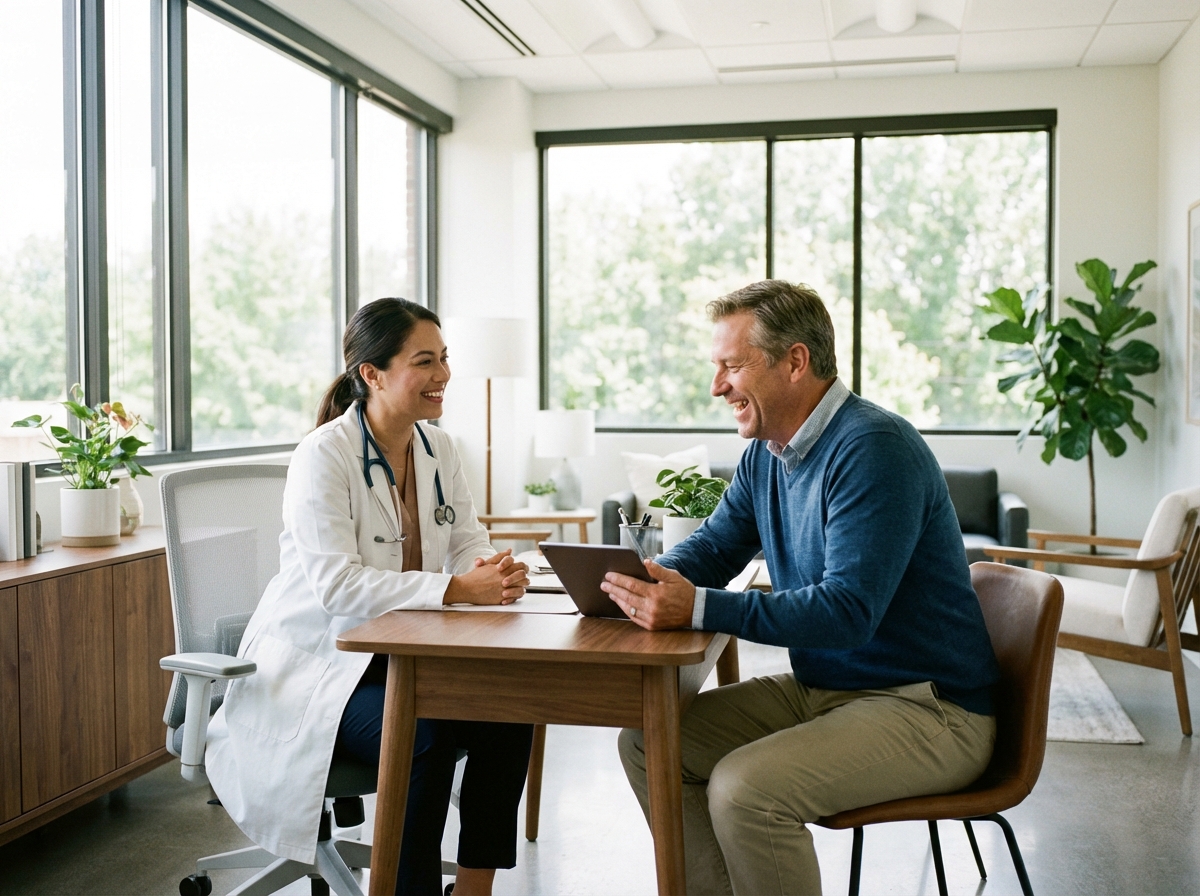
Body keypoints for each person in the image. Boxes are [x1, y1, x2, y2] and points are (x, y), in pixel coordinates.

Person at [601, 280, 1002, 895]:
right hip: (831, 689)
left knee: (746, 789)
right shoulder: (770, 451)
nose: (717, 387)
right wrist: (647, 582)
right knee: (651, 744)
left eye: (733, 366)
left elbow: (847, 613)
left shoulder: (873, 448)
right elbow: (714, 547)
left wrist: (698, 607)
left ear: (795, 361)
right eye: (717, 367)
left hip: (930, 707)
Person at [205, 298, 534, 896]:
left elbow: (465, 538)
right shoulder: (324, 455)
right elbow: (338, 586)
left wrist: (489, 568)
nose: (444, 376)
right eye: (425, 361)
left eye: (445, 359)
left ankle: (474, 887)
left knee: (510, 709)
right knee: (424, 731)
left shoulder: (440, 448)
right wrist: (460, 589)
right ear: (373, 374)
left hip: (401, 655)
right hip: (318, 668)